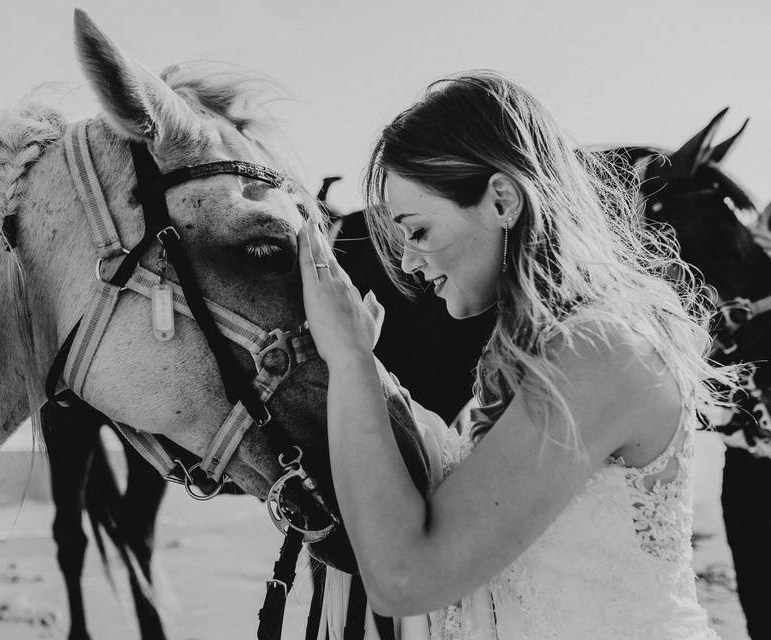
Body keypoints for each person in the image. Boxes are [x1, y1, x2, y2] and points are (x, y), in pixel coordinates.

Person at [298, 71, 735, 639]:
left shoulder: (598, 354)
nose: (407, 262)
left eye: (419, 230)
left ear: (503, 199)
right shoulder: (533, 353)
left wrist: (352, 363)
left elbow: (405, 578)